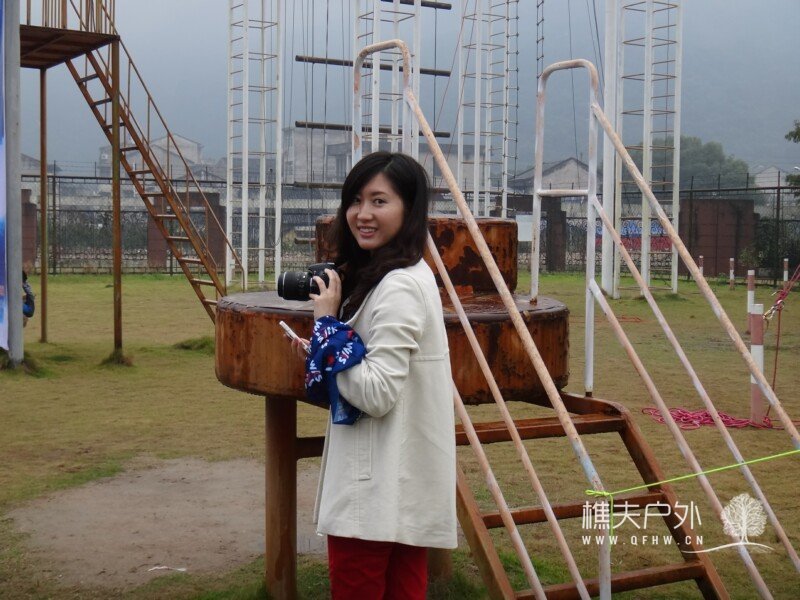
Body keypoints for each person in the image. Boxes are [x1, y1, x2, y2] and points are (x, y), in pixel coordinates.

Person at [291, 151, 456, 599]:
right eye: (356, 200)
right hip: (398, 484)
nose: (362, 214)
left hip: (373, 485)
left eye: (379, 201)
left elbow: (378, 392)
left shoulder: (399, 285)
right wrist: (324, 349)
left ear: (409, 209)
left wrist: (327, 328)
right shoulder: (404, 273)